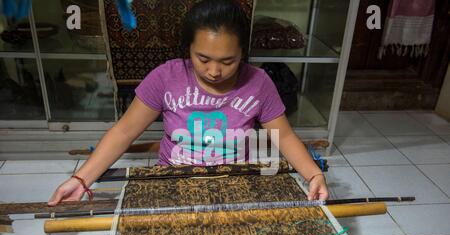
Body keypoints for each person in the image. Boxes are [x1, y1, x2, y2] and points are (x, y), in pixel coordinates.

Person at [48, 0, 328, 206]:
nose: (215, 71)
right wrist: (81, 180)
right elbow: (124, 132)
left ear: (243, 51)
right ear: (188, 49)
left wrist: (313, 174)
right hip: (172, 182)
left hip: (232, 183)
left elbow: (285, 136)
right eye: (203, 59)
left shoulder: (258, 83)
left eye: (228, 61)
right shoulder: (166, 77)